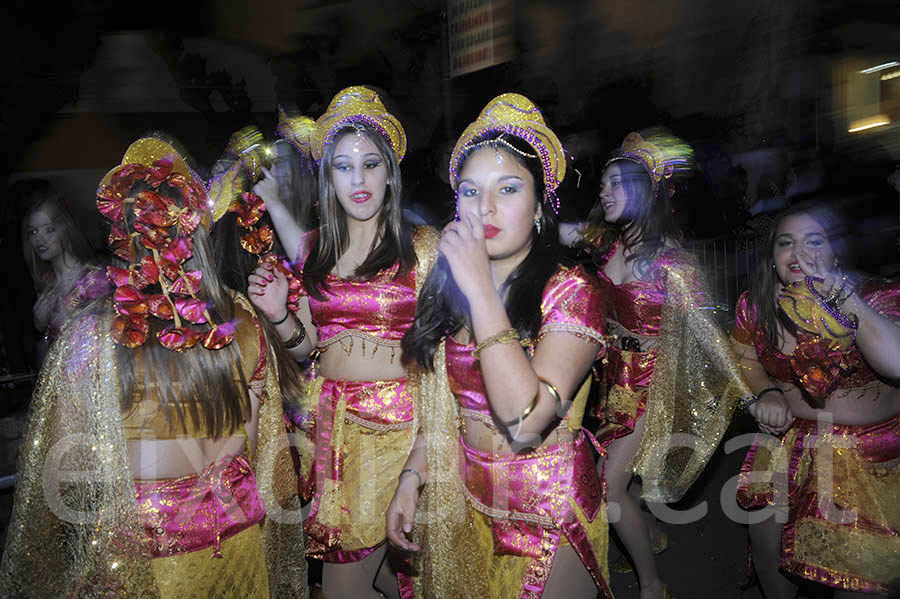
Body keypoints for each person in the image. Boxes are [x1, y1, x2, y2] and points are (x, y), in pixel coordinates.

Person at [0, 137, 306, 598]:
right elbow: (257, 449)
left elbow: (68, 474)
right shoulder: (241, 321)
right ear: (196, 227)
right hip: (237, 548)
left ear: (122, 235)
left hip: (143, 565)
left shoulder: (90, 337)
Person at [386, 93, 613, 599]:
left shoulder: (571, 289)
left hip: (549, 511)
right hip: (467, 506)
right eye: (470, 191)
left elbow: (526, 418)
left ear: (538, 207)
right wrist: (411, 478)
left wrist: (481, 292)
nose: (484, 207)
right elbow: (444, 410)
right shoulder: (451, 291)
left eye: (507, 189)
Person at [248, 86, 435, 599]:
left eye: (371, 164)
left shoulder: (421, 250)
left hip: (399, 433)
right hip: (334, 436)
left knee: (390, 580)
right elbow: (305, 348)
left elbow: (445, 359)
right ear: (328, 177)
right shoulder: (315, 251)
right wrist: (280, 315)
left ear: (389, 173)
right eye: (344, 166)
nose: (358, 178)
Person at [578, 128, 746, 599]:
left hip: (651, 384)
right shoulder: (610, 244)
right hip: (610, 380)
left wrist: (754, 389)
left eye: (615, 183)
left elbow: (711, 336)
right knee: (617, 475)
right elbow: (562, 230)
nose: (603, 191)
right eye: (603, 183)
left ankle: (652, 585)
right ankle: (649, 531)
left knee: (606, 485)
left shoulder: (673, 263)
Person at [733, 201, 900, 598]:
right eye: (785, 243)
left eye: (814, 241)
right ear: (772, 256)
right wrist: (766, 391)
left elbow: (895, 363)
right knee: (770, 552)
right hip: (786, 446)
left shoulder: (877, 296)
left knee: (859, 582)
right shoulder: (755, 305)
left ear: (835, 251)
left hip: (870, 456)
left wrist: (842, 297)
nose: (799, 253)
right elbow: (743, 359)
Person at [21, 183, 110, 361]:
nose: (40, 239)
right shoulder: (47, 281)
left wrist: (71, 325)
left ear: (66, 229)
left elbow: (109, 343)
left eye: (50, 229)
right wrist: (40, 325)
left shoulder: (94, 278)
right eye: (33, 231)